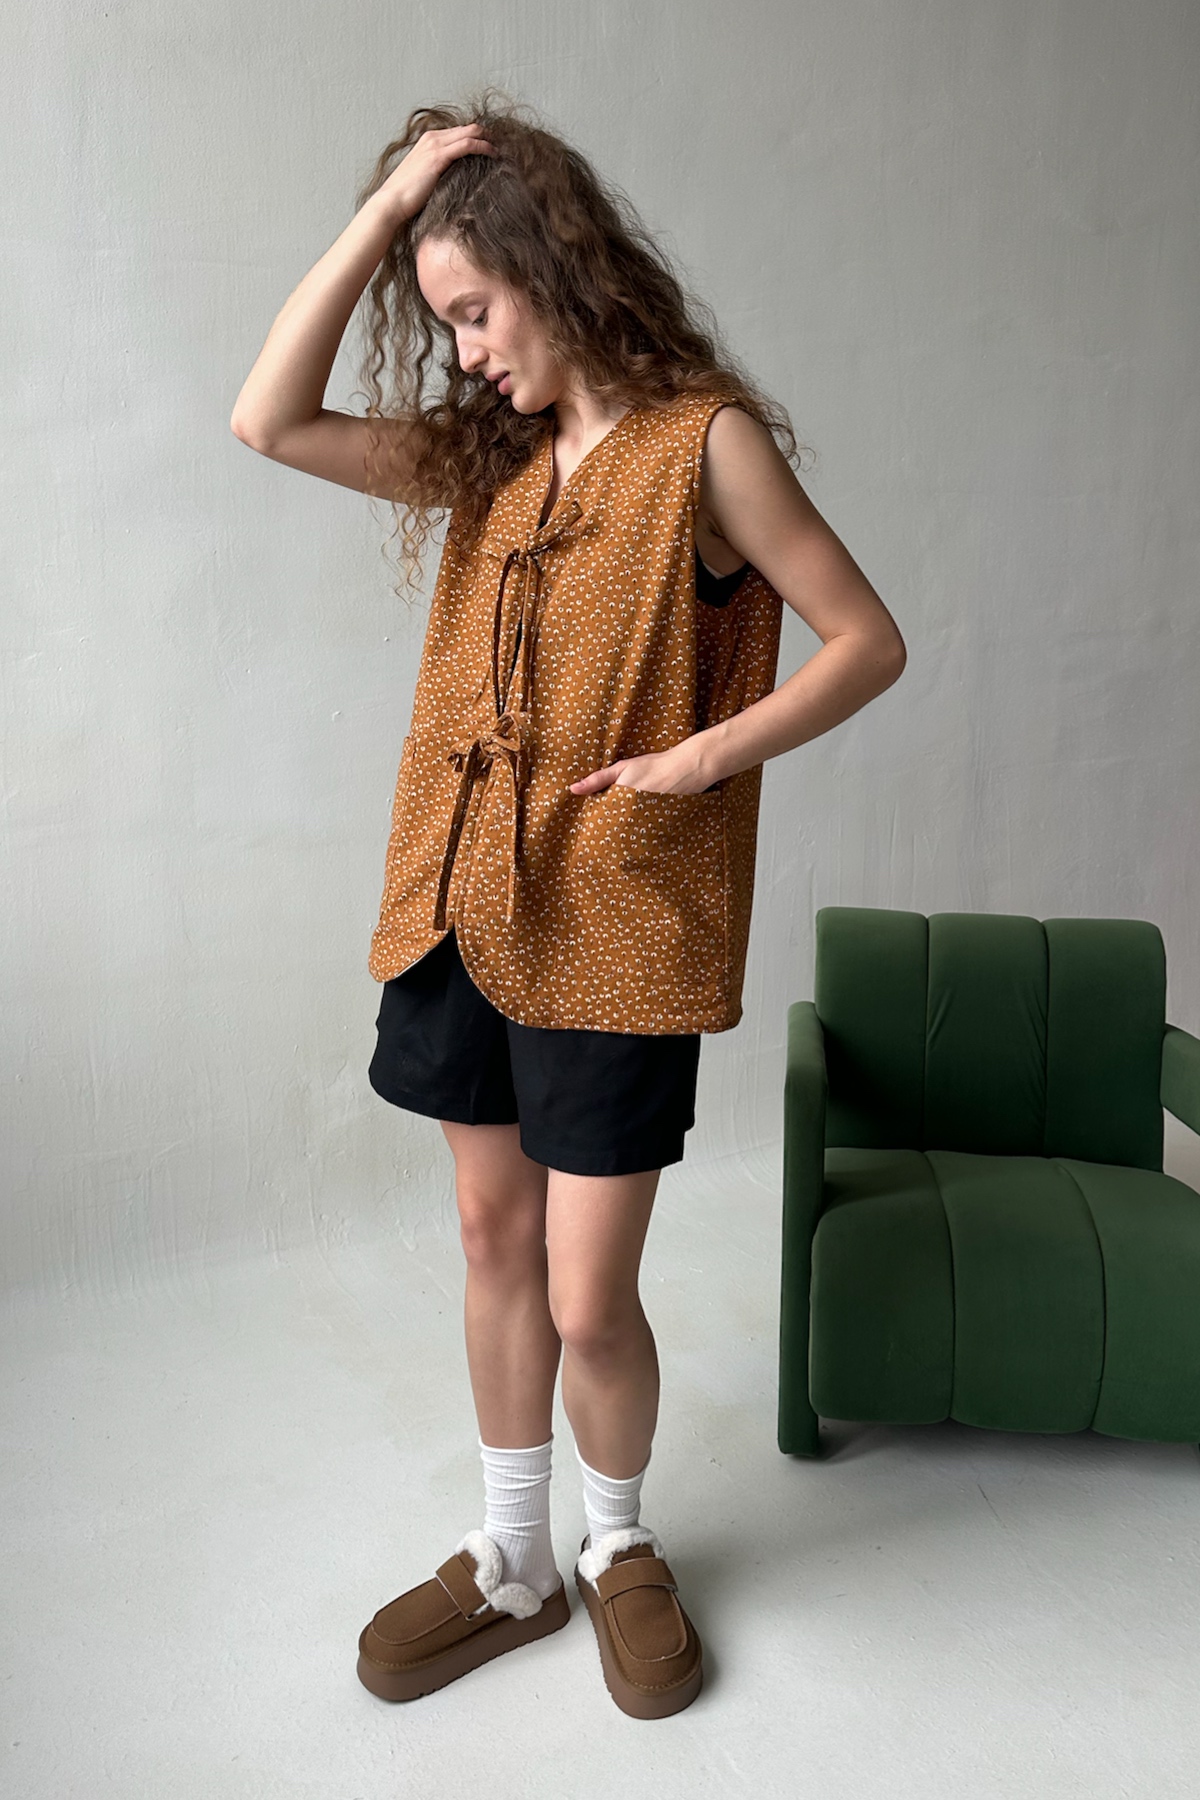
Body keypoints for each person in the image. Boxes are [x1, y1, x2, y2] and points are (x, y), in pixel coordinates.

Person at [231, 90, 906, 1720]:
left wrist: (704, 758)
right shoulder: (488, 463)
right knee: (492, 1236)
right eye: (443, 322)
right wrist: (395, 208)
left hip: (618, 921)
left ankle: (618, 1544)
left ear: (552, 269)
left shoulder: (703, 447)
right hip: (459, 898)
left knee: (590, 1290)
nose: (462, 352)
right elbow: (267, 418)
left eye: (475, 311)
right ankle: (514, 1558)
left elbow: (866, 639)